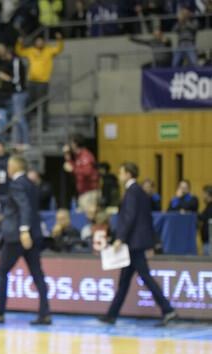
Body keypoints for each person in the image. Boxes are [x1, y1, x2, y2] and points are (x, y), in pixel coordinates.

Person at [98, 162, 177, 327]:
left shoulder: (132, 191)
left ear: (128, 174)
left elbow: (130, 216)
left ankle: (168, 309)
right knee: (125, 281)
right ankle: (111, 314)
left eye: (120, 173)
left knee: (145, 278)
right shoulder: (138, 191)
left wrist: (120, 237)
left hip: (133, 244)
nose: (119, 176)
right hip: (135, 243)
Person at [0, 156, 50, 325]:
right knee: (37, 273)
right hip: (33, 234)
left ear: (12, 166)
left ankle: (0, 313)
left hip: (18, 236)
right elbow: (15, 200)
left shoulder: (17, 183)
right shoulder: (28, 182)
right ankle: (45, 313)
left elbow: (23, 206)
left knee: (2, 270)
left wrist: (24, 230)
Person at [15, 32, 63, 130]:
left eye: (41, 42)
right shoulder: (31, 51)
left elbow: (58, 49)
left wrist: (59, 40)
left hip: (43, 82)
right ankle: (26, 124)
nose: (39, 43)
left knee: (43, 104)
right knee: (29, 103)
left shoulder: (48, 50)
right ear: (36, 43)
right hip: (32, 81)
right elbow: (20, 51)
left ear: (43, 42)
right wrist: (19, 43)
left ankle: (44, 126)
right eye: (38, 42)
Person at [63, 134, 99, 211]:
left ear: (75, 144)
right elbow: (73, 167)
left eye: (71, 143)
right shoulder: (78, 156)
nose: (70, 145)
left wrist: (73, 170)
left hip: (89, 192)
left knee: (88, 216)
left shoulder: (85, 155)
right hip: (83, 192)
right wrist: (67, 155)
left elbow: (87, 171)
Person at [199, 185, 212, 256]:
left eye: (204, 193)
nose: (203, 196)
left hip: (209, 241)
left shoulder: (210, 208)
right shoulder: (207, 207)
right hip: (206, 240)